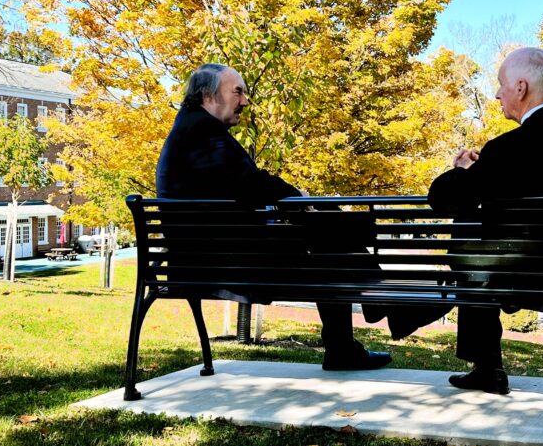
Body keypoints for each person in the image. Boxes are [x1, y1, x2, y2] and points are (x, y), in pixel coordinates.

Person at [156, 62, 391, 372]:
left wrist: (301, 203)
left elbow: (240, 186)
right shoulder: (202, 131)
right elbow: (250, 183)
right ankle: (375, 305)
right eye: (237, 92)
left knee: (328, 230)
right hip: (223, 261)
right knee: (329, 241)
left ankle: (369, 312)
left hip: (210, 256)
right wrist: (299, 198)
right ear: (207, 96)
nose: (244, 100)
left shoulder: (193, 129)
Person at [426, 47, 543, 394]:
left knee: (469, 250)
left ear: (520, 88)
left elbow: (439, 199)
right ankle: (485, 367)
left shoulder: (505, 148)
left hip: (504, 272)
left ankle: (486, 365)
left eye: (502, 84)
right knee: (474, 252)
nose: (497, 93)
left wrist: (462, 170)